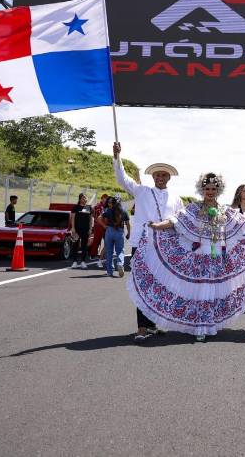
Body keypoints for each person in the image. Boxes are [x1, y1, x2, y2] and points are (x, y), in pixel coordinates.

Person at [133, 172, 245, 342]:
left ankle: (207, 324)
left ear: (218, 190)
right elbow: (175, 220)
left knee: (212, 293)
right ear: (202, 190)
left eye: (213, 188)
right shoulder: (193, 208)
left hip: (217, 257)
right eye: (207, 188)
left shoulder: (225, 210)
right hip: (200, 257)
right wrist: (158, 225)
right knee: (201, 293)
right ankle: (199, 327)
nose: (210, 191)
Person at [113, 142, 184, 341]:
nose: (160, 178)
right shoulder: (142, 191)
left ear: (169, 178)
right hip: (142, 244)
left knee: (162, 286)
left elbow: (181, 222)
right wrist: (117, 157)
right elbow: (122, 179)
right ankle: (142, 328)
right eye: (157, 175)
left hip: (166, 247)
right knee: (142, 284)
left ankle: (155, 323)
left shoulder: (177, 199)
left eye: (164, 175)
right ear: (152, 177)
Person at [101, 196, 129, 278]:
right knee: (120, 251)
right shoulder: (123, 211)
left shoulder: (108, 210)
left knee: (109, 252)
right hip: (119, 232)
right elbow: (127, 224)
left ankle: (110, 271)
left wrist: (104, 226)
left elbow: (99, 218)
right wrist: (129, 233)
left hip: (109, 231)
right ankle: (120, 264)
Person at [69, 193, 94, 269]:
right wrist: (73, 228)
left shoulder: (89, 208)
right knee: (75, 245)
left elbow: (91, 219)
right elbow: (72, 218)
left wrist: (90, 229)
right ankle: (74, 262)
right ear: (80, 199)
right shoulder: (75, 207)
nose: (85, 199)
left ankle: (83, 261)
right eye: (83, 198)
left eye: (86, 198)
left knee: (84, 246)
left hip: (85, 230)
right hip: (77, 229)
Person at [89, 193, 109, 261]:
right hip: (98, 226)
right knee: (97, 241)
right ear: (102, 198)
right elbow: (96, 216)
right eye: (105, 198)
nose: (106, 200)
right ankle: (92, 255)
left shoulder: (105, 206)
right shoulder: (99, 206)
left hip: (104, 226)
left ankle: (102, 254)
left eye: (107, 199)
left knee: (107, 241)